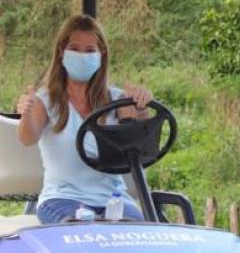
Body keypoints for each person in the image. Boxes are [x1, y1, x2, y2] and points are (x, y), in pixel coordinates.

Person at [16, 14, 152, 224]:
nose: (82, 56)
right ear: (62, 52)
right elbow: (27, 138)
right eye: (75, 49)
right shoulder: (46, 100)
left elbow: (139, 143)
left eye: (90, 51)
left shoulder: (117, 100)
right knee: (80, 229)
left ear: (102, 55)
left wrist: (141, 108)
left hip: (114, 200)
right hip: (63, 199)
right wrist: (26, 112)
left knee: (137, 233)